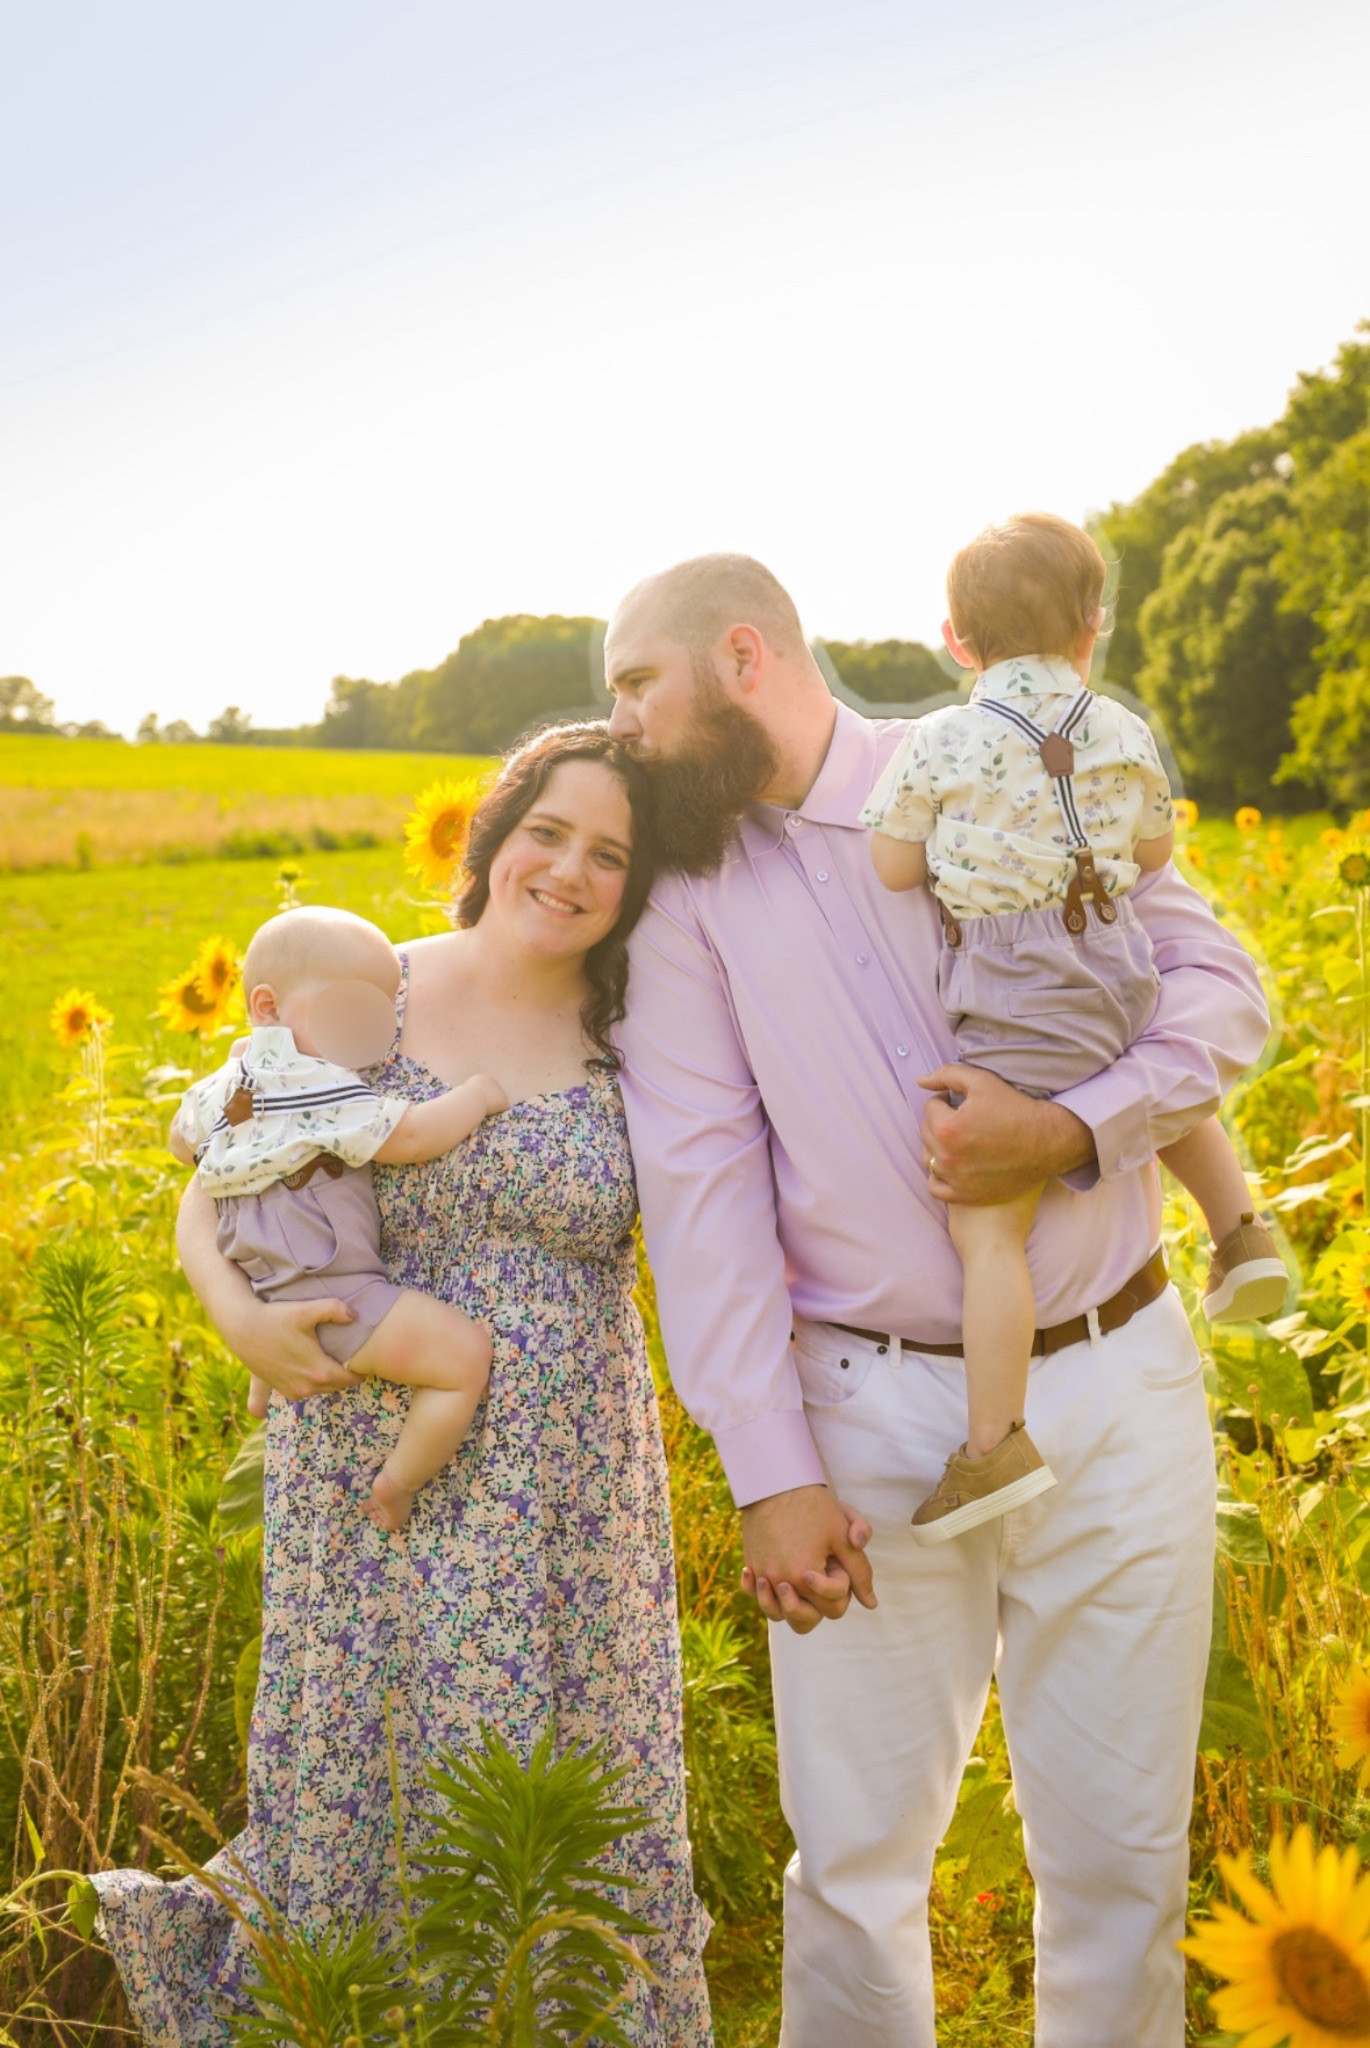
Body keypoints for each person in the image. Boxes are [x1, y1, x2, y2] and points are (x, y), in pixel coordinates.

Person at [605, 553, 1270, 2048]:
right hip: (862, 1428)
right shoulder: (680, 905)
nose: (626, 727)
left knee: (1116, 1869)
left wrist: (1084, 1123)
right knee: (849, 1873)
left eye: (636, 687)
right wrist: (767, 1474)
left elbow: (1220, 990)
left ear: (739, 656)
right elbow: (702, 1198)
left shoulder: (994, 758)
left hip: (1118, 1388)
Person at [92, 724, 713, 2048]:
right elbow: (221, 1175)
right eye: (548, 831)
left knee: (556, 1798)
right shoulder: (373, 990)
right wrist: (232, 1317)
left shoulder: (649, 1031)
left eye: (609, 852)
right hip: (371, 1472)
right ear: (493, 837)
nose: (569, 869)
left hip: (569, 1497)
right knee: (363, 1773)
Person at [860, 513, 1287, 1542]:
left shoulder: (938, 740)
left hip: (1008, 989)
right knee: (1141, 1083)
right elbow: (1149, 856)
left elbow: (890, 867)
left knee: (989, 1233)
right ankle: (1239, 1230)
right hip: (1108, 955)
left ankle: (992, 1441)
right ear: (1092, 622)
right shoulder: (1125, 725)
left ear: (956, 641)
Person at [171, 904, 507, 1530]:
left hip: (262, 1276)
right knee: (464, 1359)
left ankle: (263, 1378)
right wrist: (478, 1095)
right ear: (269, 1008)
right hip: (334, 1292)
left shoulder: (226, 1083)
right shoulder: (318, 1082)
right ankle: (399, 1483)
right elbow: (409, 1137)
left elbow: (180, 1144)